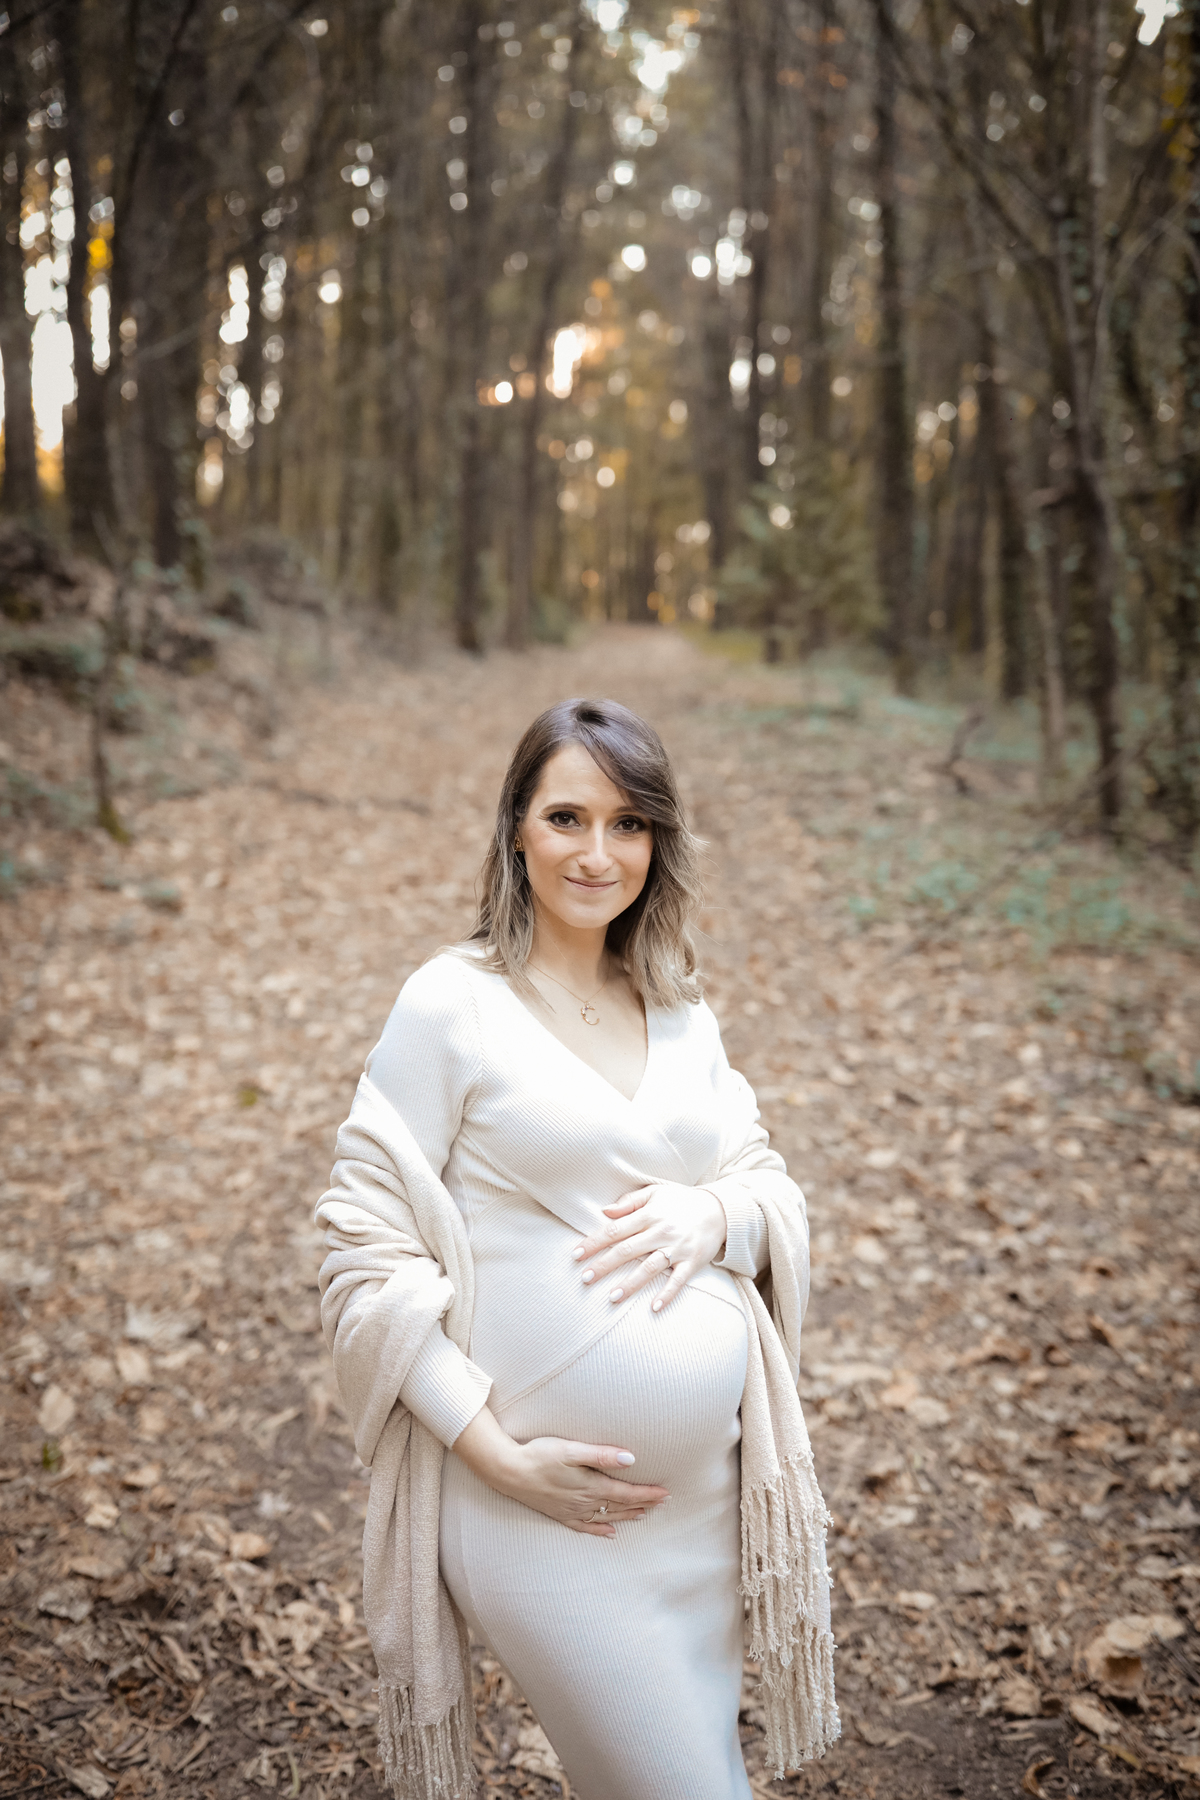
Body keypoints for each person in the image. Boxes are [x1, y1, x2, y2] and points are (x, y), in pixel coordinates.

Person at [316, 698, 838, 1800]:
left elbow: (765, 1183)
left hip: (697, 1519)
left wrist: (717, 1218)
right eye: (566, 817)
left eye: (629, 823)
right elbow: (362, 1249)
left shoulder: (681, 1012)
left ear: (659, 841)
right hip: (535, 1508)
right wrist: (489, 1451)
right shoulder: (452, 1003)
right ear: (516, 829)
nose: (598, 854)